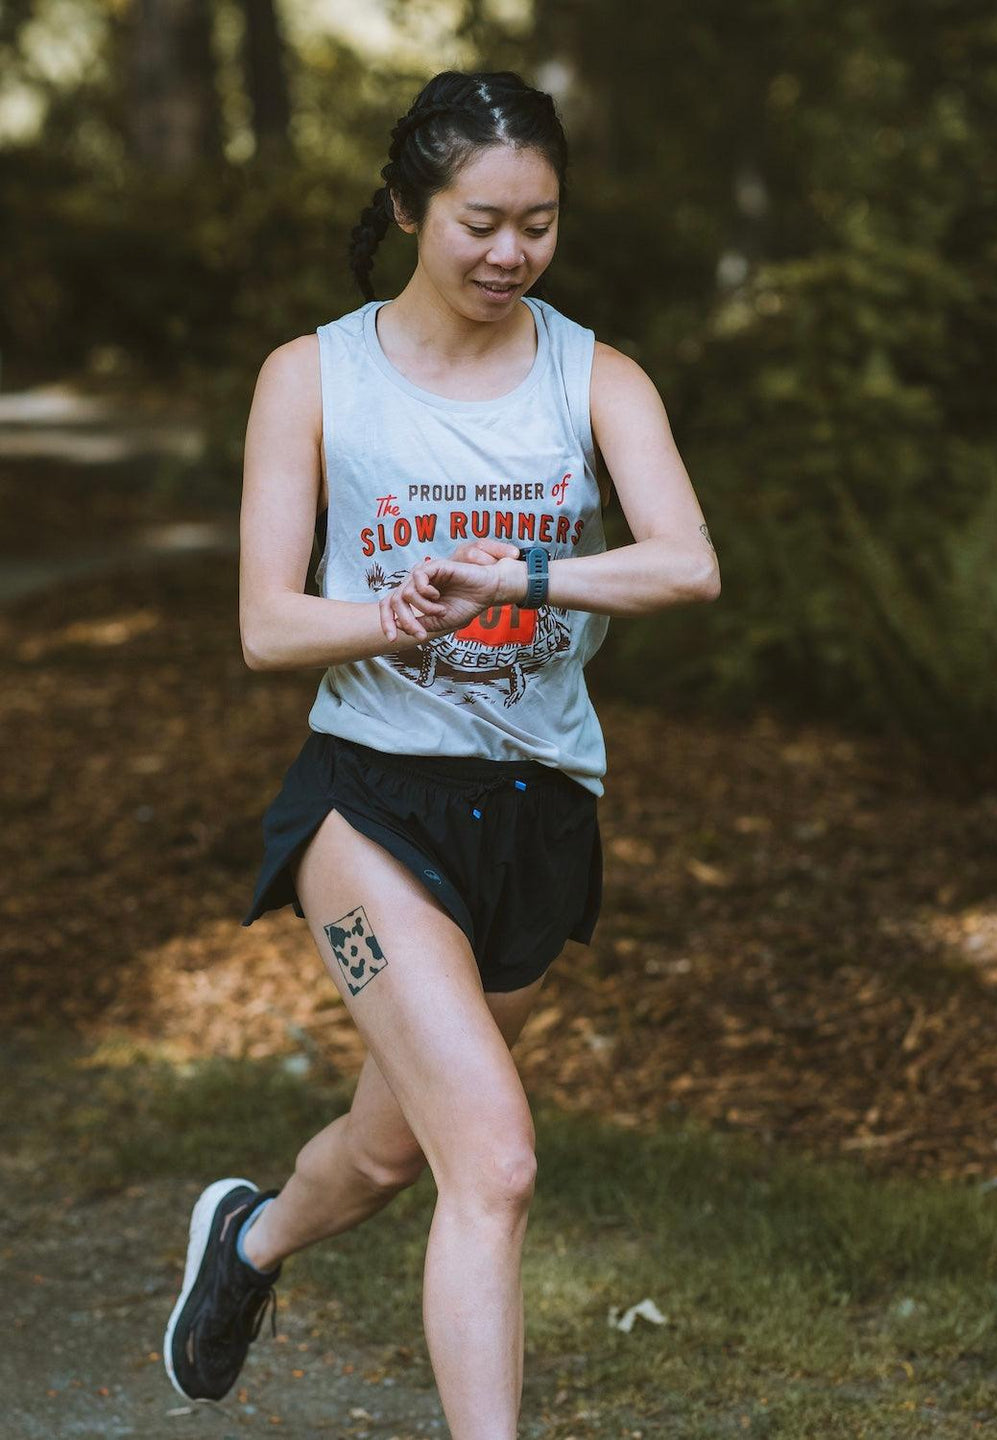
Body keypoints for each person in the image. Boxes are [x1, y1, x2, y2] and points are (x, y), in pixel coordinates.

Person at [162, 67, 720, 1438]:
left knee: (389, 1151)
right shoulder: (314, 378)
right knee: (499, 1160)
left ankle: (245, 1245)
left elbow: (688, 566)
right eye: (481, 220)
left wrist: (525, 575)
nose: (510, 252)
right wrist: (387, 611)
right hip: (371, 802)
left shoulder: (598, 375)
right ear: (412, 208)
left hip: (539, 806)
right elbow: (263, 623)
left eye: (539, 222)